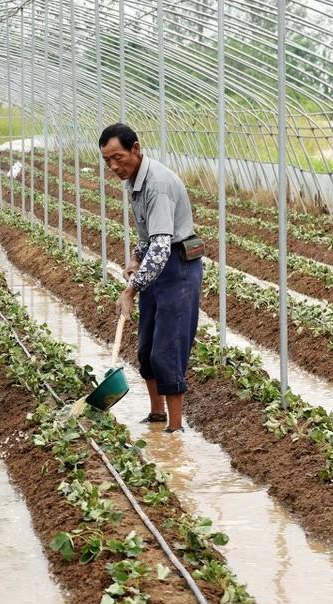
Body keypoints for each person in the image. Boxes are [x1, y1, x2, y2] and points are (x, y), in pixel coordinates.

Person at [100, 123, 202, 433]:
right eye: (107, 161)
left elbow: (161, 246)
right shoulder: (135, 181)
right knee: (146, 350)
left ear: (135, 148)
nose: (114, 166)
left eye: (118, 157)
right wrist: (135, 258)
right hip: (157, 268)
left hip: (178, 269)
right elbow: (148, 239)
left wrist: (130, 290)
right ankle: (157, 415)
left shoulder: (157, 184)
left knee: (166, 350)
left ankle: (175, 429)